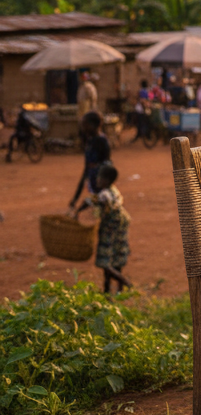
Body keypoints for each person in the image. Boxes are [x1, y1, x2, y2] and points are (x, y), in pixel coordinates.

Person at [75, 161, 131, 295]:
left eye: (99, 177)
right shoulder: (113, 190)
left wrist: (77, 211)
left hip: (110, 226)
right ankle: (114, 290)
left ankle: (124, 282)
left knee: (105, 260)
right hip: (121, 223)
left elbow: (90, 201)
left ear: (106, 180)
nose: (97, 179)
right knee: (117, 256)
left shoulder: (104, 194)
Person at [69, 111, 112, 212]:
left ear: (94, 125)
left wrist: (80, 208)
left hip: (100, 183)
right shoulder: (90, 141)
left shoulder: (101, 142)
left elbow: (106, 165)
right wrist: (75, 198)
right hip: (95, 182)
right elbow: (86, 170)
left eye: (85, 125)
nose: (83, 128)